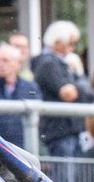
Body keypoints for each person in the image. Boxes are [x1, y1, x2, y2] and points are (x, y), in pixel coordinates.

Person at [29, 21, 86, 161]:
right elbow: (68, 94)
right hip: (60, 132)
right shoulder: (49, 63)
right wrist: (80, 76)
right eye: (71, 43)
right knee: (63, 174)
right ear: (58, 42)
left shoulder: (56, 62)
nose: (73, 48)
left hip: (66, 130)